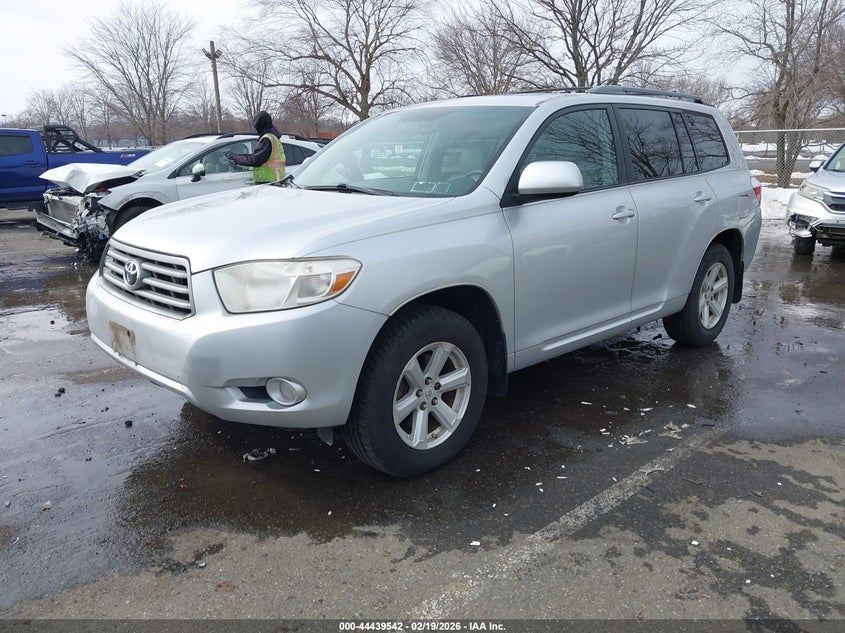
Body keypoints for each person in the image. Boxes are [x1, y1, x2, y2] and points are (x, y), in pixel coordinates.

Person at [225, 110, 286, 182]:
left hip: (269, 182)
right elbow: (257, 156)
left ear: (261, 125)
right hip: (273, 179)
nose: (256, 129)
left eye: (257, 126)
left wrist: (236, 158)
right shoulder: (272, 137)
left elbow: (255, 160)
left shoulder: (267, 139)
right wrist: (238, 156)